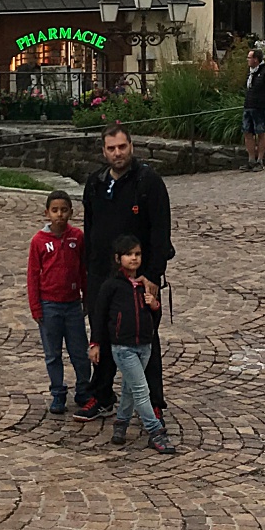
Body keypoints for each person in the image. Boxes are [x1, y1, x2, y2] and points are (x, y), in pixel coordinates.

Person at [75, 124, 174, 421]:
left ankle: (153, 401)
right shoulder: (94, 183)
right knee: (101, 334)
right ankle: (102, 396)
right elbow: (90, 231)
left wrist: (153, 276)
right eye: (111, 148)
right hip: (101, 276)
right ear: (103, 151)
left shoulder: (149, 182)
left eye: (122, 147)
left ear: (131, 146)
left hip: (138, 277)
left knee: (145, 339)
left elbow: (160, 232)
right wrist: (88, 275)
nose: (117, 153)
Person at [87, 235, 173, 453]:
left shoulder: (144, 285)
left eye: (137, 254)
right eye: (129, 254)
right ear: (118, 258)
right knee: (141, 390)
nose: (134, 258)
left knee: (129, 389)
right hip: (123, 348)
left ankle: (121, 424)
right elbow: (99, 316)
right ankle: (155, 431)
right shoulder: (111, 286)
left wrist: (154, 306)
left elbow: (153, 318)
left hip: (144, 346)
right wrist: (95, 343)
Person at [26, 191, 90, 414]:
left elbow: (82, 270)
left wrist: (86, 297)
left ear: (71, 212)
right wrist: (36, 306)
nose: (59, 215)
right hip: (49, 305)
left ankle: (83, 389)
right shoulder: (39, 241)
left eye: (64, 210)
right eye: (55, 210)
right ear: (47, 213)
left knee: (79, 352)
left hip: (72, 304)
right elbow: (33, 276)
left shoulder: (77, 237)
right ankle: (58, 393)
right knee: (53, 354)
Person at [242, 46, 265, 171]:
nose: (248, 60)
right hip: (249, 106)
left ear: (256, 59)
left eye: (249, 58)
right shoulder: (251, 72)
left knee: (260, 132)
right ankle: (251, 159)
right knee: (247, 132)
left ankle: (260, 160)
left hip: (260, 107)